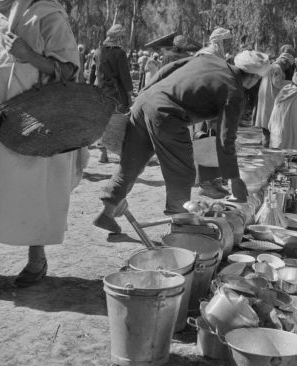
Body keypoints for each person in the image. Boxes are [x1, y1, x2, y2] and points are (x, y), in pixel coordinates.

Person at [0, 0, 81, 287]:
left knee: (33, 188)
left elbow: (69, 70)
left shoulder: (45, 13)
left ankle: (36, 260)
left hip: (30, 119)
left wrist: (28, 55)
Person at [94, 50, 270, 231]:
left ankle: (107, 212)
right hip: (167, 114)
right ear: (254, 78)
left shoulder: (208, 58)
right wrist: (234, 178)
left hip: (144, 103)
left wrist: (145, 94)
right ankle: (179, 223)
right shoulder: (234, 92)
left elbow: (168, 69)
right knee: (182, 170)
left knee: (132, 162)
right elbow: (226, 139)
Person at [194, 27, 234, 199]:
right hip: (206, 106)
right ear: (218, 41)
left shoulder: (217, 56)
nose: (230, 43)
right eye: (227, 40)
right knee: (207, 142)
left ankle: (216, 181)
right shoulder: (206, 55)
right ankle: (205, 184)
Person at [95, 24, 134, 163]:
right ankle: (120, 152)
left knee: (103, 121)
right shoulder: (119, 53)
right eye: (122, 37)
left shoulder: (99, 51)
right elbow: (125, 75)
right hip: (117, 94)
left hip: (101, 91)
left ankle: (102, 152)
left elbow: (96, 73)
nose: (123, 40)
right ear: (118, 37)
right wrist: (130, 94)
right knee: (119, 121)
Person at [254, 52, 294, 146]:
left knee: (267, 126)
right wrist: (292, 83)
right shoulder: (277, 68)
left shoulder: (271, 66)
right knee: (269, 126)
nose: (288, 68)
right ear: (285, 61)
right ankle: (267, 150)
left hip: (267, 98)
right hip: (270, 99)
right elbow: (277, 83)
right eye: (288, 65)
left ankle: (266, 147)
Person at [268, 70, 297, 152]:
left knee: (280, 137)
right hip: (288, 118)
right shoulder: (296, 92)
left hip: (278, 117)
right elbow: (296, 111)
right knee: (291, 135)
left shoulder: (285, 88)